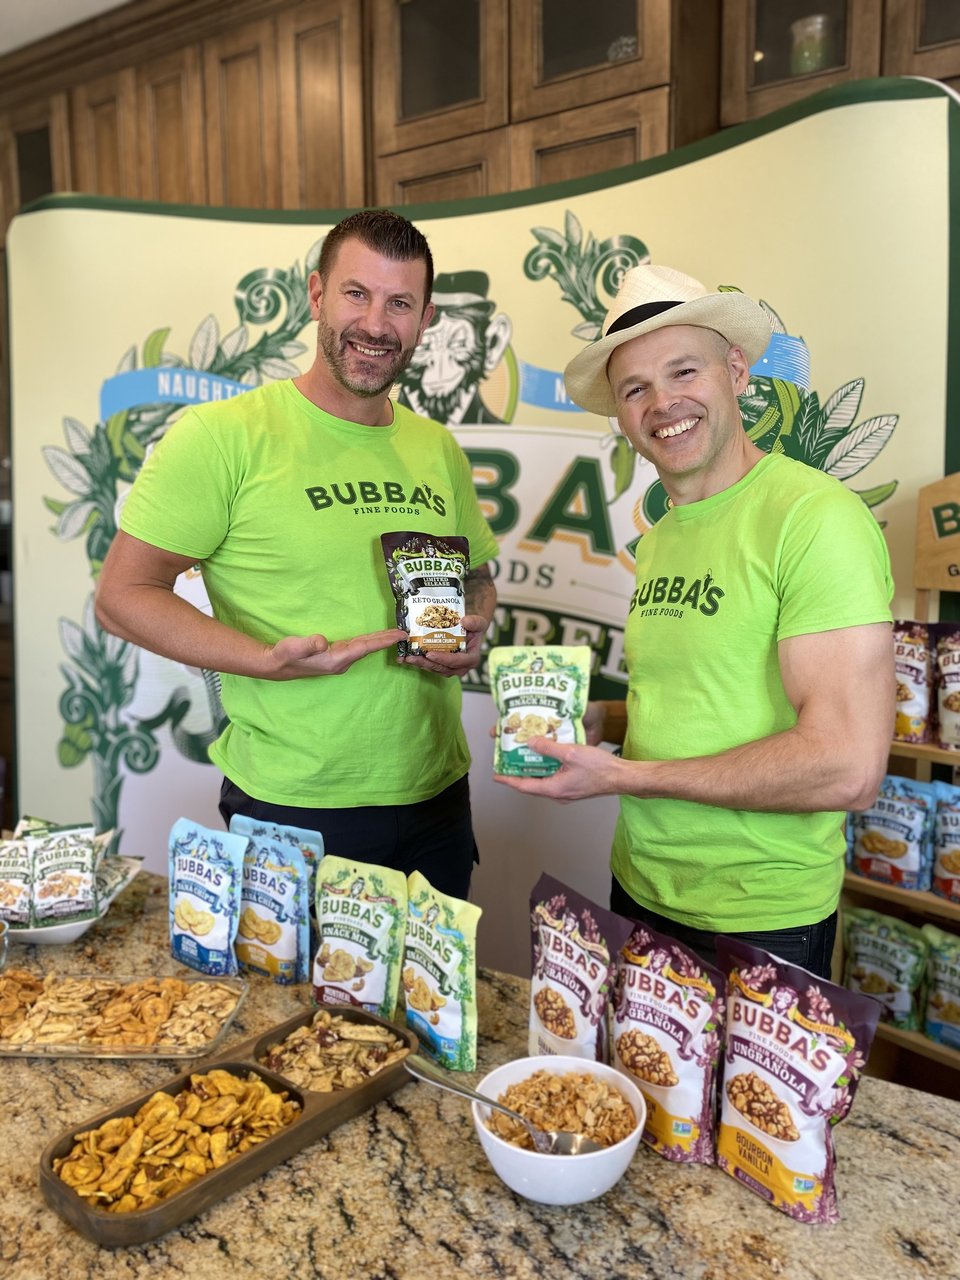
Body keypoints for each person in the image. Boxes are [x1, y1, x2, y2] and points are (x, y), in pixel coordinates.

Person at [495, 263, 895, 978]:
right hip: (643, 889)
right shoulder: (666, 533)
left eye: (684, 372)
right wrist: (598, 723)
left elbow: (846, 765)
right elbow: (697, 698)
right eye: (636, 388)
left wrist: (626, 777)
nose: (663, 403)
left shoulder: (815, 519)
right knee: (638, 1094)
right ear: (620, 414)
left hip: (758, 918)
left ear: (736, 372)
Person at [96, 209, 498, 899]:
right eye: (356, 294)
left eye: (399, 303)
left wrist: (473, 626)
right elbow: (122, 595)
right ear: (317, 295)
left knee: (423, 1010)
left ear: (424, 319)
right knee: (294, 1012)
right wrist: (262, 662)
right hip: (294, 808)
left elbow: (479, 577)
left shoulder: (438, 450)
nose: (376, 323)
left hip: (438, 799)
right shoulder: (224, 436)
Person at [395, 270, 513, 425]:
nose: (440, 370)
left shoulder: (502, 440)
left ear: (492, 346)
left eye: (458, 345)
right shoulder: (375, 432)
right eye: (424, 348)